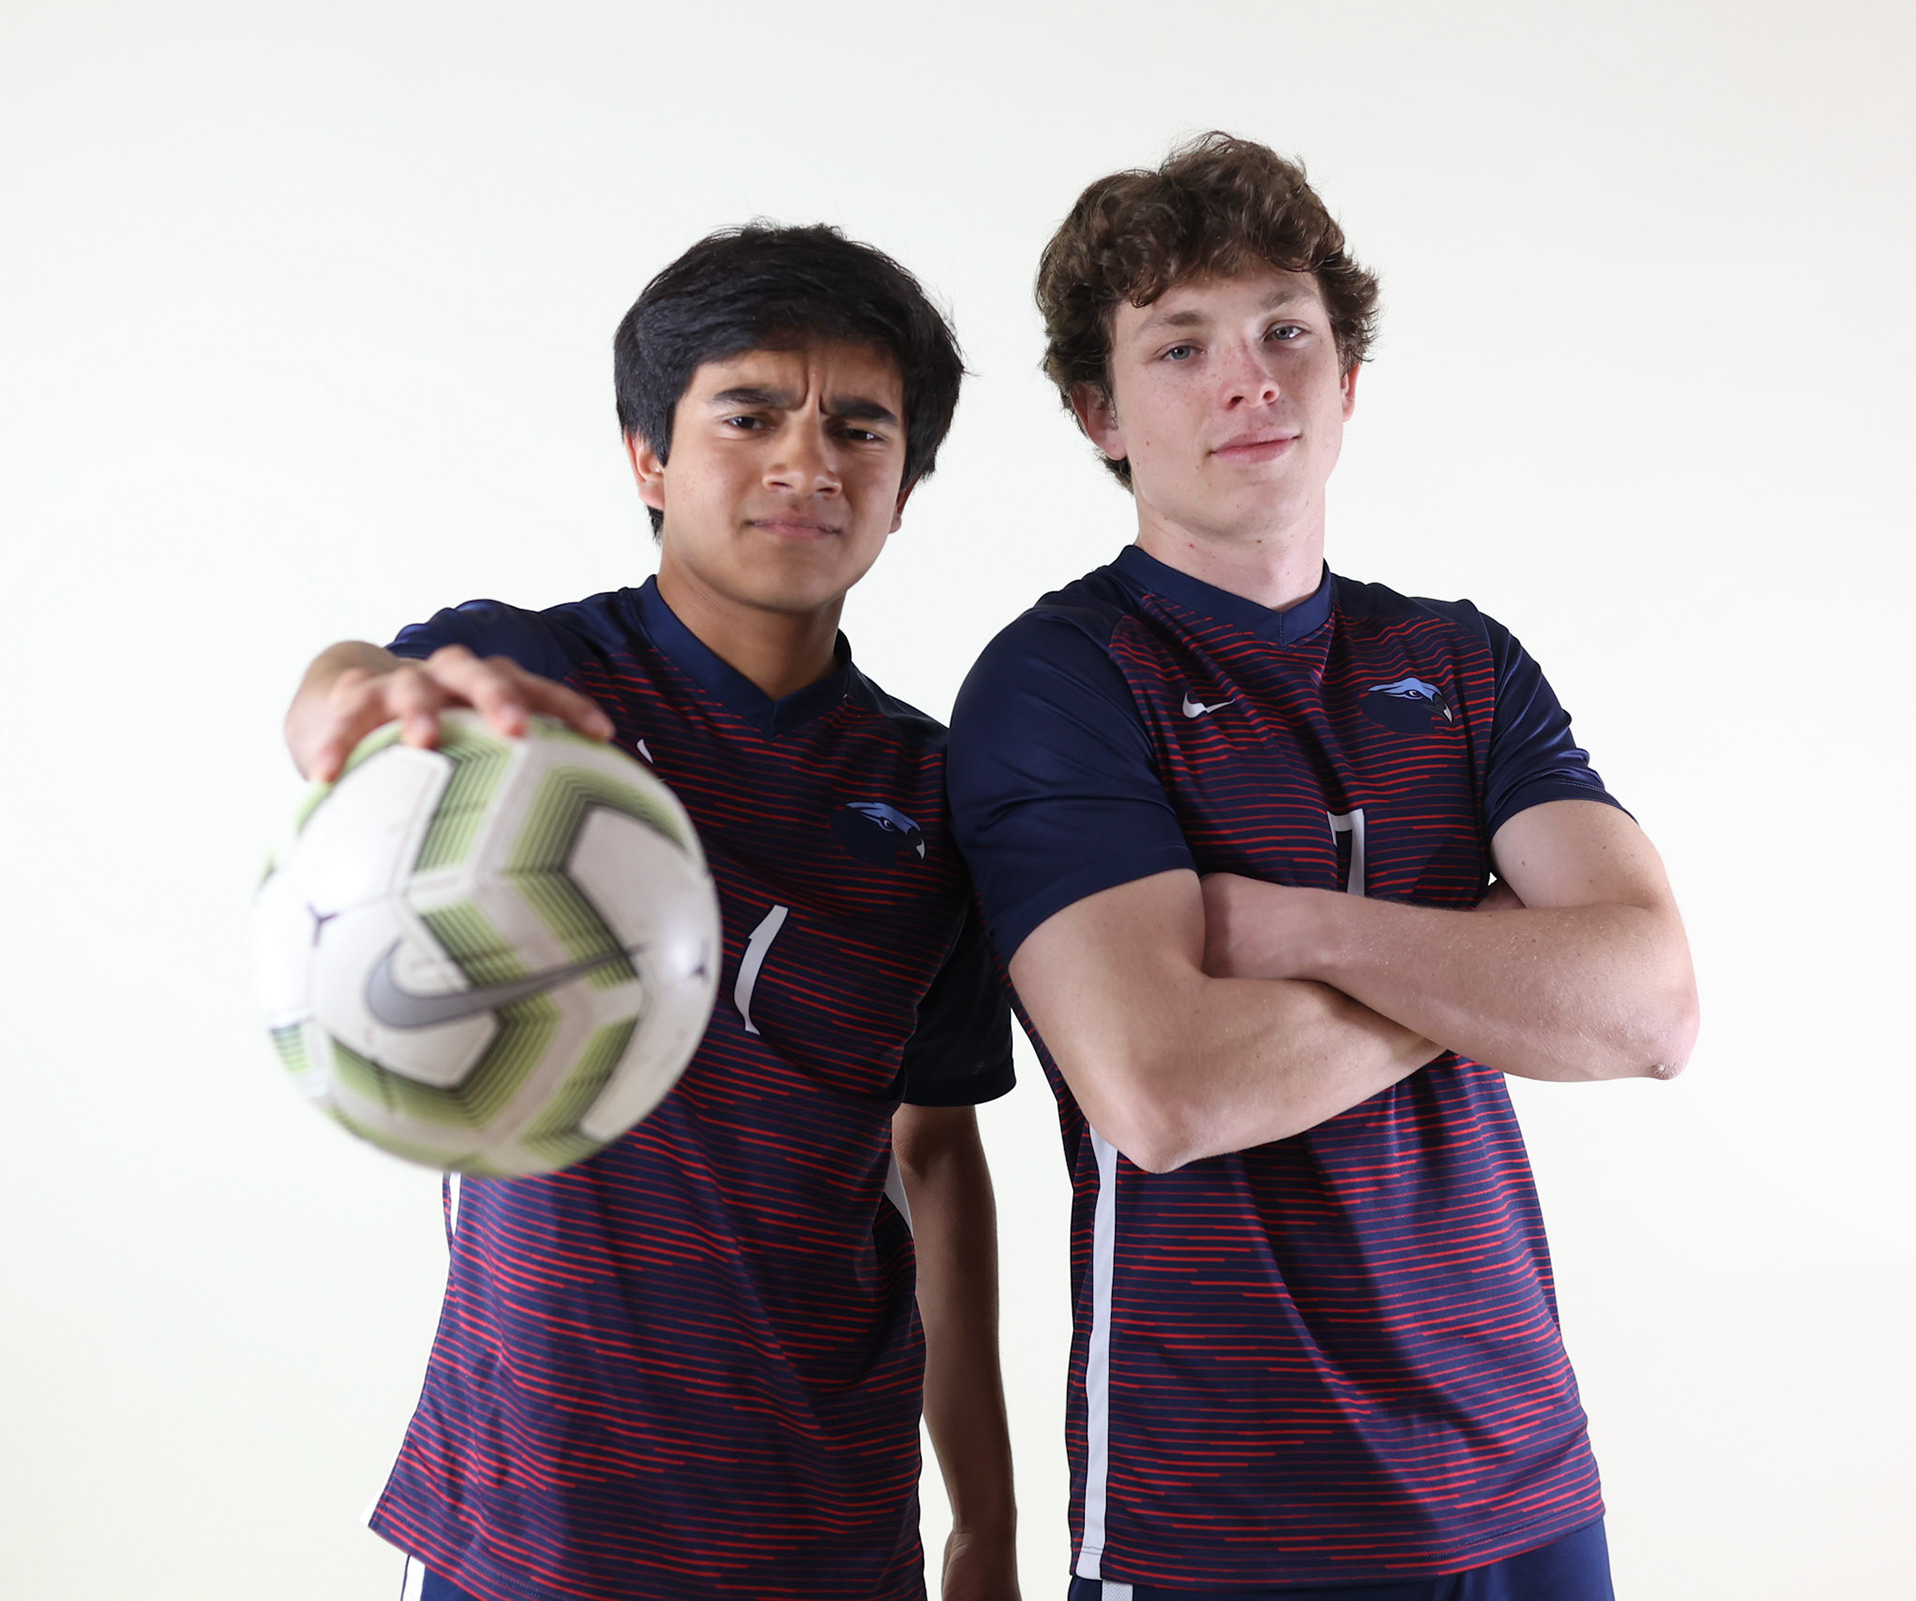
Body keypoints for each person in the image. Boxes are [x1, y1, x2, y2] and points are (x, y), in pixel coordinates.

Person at [947, 135, 1699, 1601]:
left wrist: (1302, 929)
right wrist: (1492, 960)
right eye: (1183, 346)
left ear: (1347, 376)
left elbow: (1653, 1008)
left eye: (1289, 329)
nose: (1252, 377)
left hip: (1521, 1479)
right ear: (1098, 414)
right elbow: (1166, 1089)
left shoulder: (1460, 664)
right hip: (1224, 1508)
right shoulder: (1061, 684)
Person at [284, 224, 1022, 1601]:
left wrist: (985, 1523)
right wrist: (348, 706)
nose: (808, 459)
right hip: (530, 1522)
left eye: (859, 426)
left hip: (829, 1529)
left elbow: (935, 1155)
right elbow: (356, 683)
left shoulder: (933, 791)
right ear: (650, 455)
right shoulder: (531, 680)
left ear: (905, 488)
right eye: (750, 412)